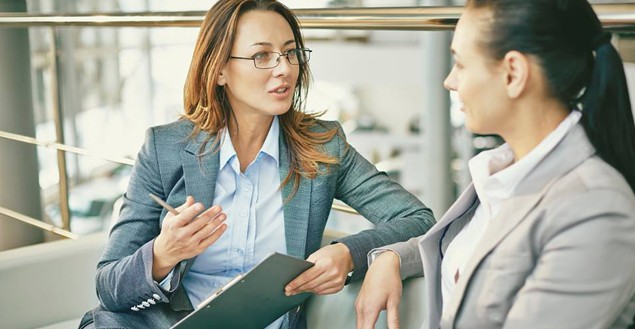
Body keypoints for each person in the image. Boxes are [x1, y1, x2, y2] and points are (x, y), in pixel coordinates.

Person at [78, 1, 435, 328]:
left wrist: (350, 253)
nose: (284, 68)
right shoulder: (164, 148)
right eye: (262, 56)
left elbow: (419, 220)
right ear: (219, 70)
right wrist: (162, 254)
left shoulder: (323, 147)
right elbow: (109, 287)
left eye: (291, 53)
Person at [355, 0, 635, 328]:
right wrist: (393, 257)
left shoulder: (594, 208)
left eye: (460, 63)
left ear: (513, 73)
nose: (449, 80)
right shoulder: (504, 171)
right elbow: (479, 250)